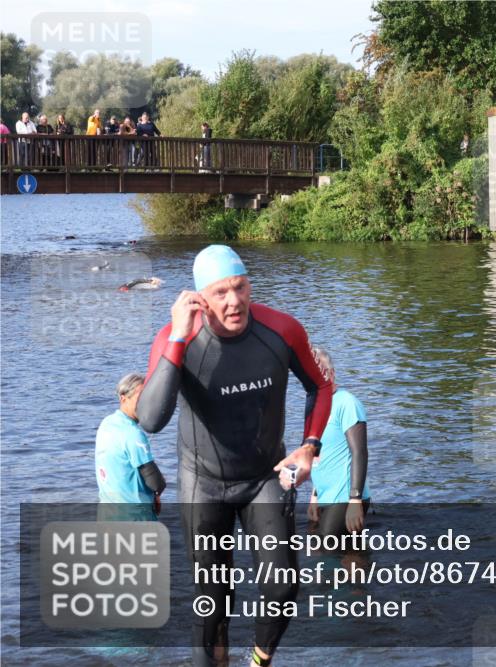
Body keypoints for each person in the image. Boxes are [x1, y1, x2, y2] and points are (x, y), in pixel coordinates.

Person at [136, 244, 332, 667]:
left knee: (282, 588)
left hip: (265, 476)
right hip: (203, 484)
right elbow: (151, 419)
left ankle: (259, 660)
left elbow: (321, 385)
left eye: (240, 288)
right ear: (200, 297)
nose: (234, 301)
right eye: (221, 292)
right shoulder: (177, 339)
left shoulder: (281, 329)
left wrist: (310, 445)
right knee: (213, 600)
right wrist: (175, 337)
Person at [306, 346, 370, 540]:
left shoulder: (346, 402)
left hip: (345, 497)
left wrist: (355, 500)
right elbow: (319, 454)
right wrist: (315, 495)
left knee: (326, 549)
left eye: (323, 371)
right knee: (340, 551)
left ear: (331, 373)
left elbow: (360, 452)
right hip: (326, 495)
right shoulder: (313, 407)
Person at [95, 373, 167, 521]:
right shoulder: (133, 434)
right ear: (123, 398)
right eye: (139, 398)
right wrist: (158, 492)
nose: (145, 404)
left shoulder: (106, 424)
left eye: (147, 398)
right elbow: (155, 482)